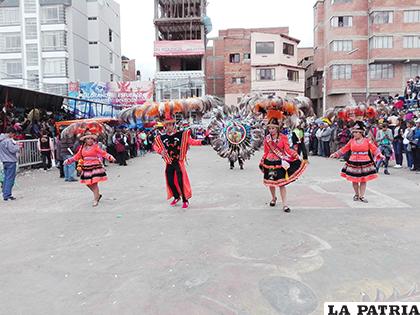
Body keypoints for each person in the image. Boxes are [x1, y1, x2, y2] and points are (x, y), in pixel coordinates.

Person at [153, 114, 205, 209]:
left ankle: (185, 200)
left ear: (174, 125)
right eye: (166, 125)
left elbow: (191, 141)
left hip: (178, 162)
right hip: (169, 162)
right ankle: (176, 197)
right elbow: (155, 146)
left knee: (181, 181)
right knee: (170, 181)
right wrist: (160, 151)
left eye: (170, 125)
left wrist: (202, 142)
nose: (168, 127)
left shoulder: (182, 135)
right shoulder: (162, 137)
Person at [259, 117, 307, 213]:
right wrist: (262, 160)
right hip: (269, 162)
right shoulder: (267, 139)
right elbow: (266, 151)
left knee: (282, 184)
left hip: (280, 162)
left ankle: (285, 204)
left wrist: (297, 156)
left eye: (273, 128)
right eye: (269, 128)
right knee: (271, 182)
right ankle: (273, 198)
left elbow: (288, 150)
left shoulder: (283, 137)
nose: (271, 130)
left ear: (277, 128)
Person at [330, 121, 382, 203]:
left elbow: (374, 148)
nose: (354, 134)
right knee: (354, 180)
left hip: (365, 162)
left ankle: (362, 196)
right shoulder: (351, 141)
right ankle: (356, 194)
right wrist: (336, 154)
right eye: (354, 132)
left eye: (356, 132)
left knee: (363, 180)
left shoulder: (367, 141)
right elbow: (345, 149)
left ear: (361, 133)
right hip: (353, 162)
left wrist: (379, 154)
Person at [64, 130, 116, 207]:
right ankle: (97, 195)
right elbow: (77, 156)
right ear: (85, 140)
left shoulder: (95, 147)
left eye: (91, 138)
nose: (90, 140)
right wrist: (68, 160)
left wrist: (110, 157)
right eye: (88, 138)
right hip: (86, 167)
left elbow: (103, 153)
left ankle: (95, 199)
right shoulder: (82, 148)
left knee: (94, 184)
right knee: (88, 183)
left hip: (95, 167)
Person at [0, 127, 20, 201]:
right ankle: (7, 195)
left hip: (4, 161)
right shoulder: (8, 141)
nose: (13, 135)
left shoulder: (1, 140)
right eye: (13, 134)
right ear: (10, 133)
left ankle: (5, 193)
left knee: (6, 178)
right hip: (11, 161)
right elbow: (12, 150)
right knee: (10, 179)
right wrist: (18, 146)